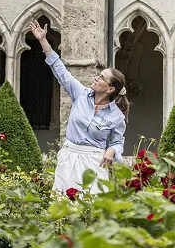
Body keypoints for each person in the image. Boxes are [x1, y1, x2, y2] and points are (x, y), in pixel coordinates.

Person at [28, 19, 128, 194]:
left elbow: (118, 142)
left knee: (90, 209)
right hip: (69, 158)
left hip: (95, 163)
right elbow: (60, 70)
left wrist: (112, 150)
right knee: (63, 206)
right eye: (99, 75)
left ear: (111, 88)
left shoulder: (117, 116)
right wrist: (43, 41)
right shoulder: (80, 94)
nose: (96, 78)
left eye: (102, 77)